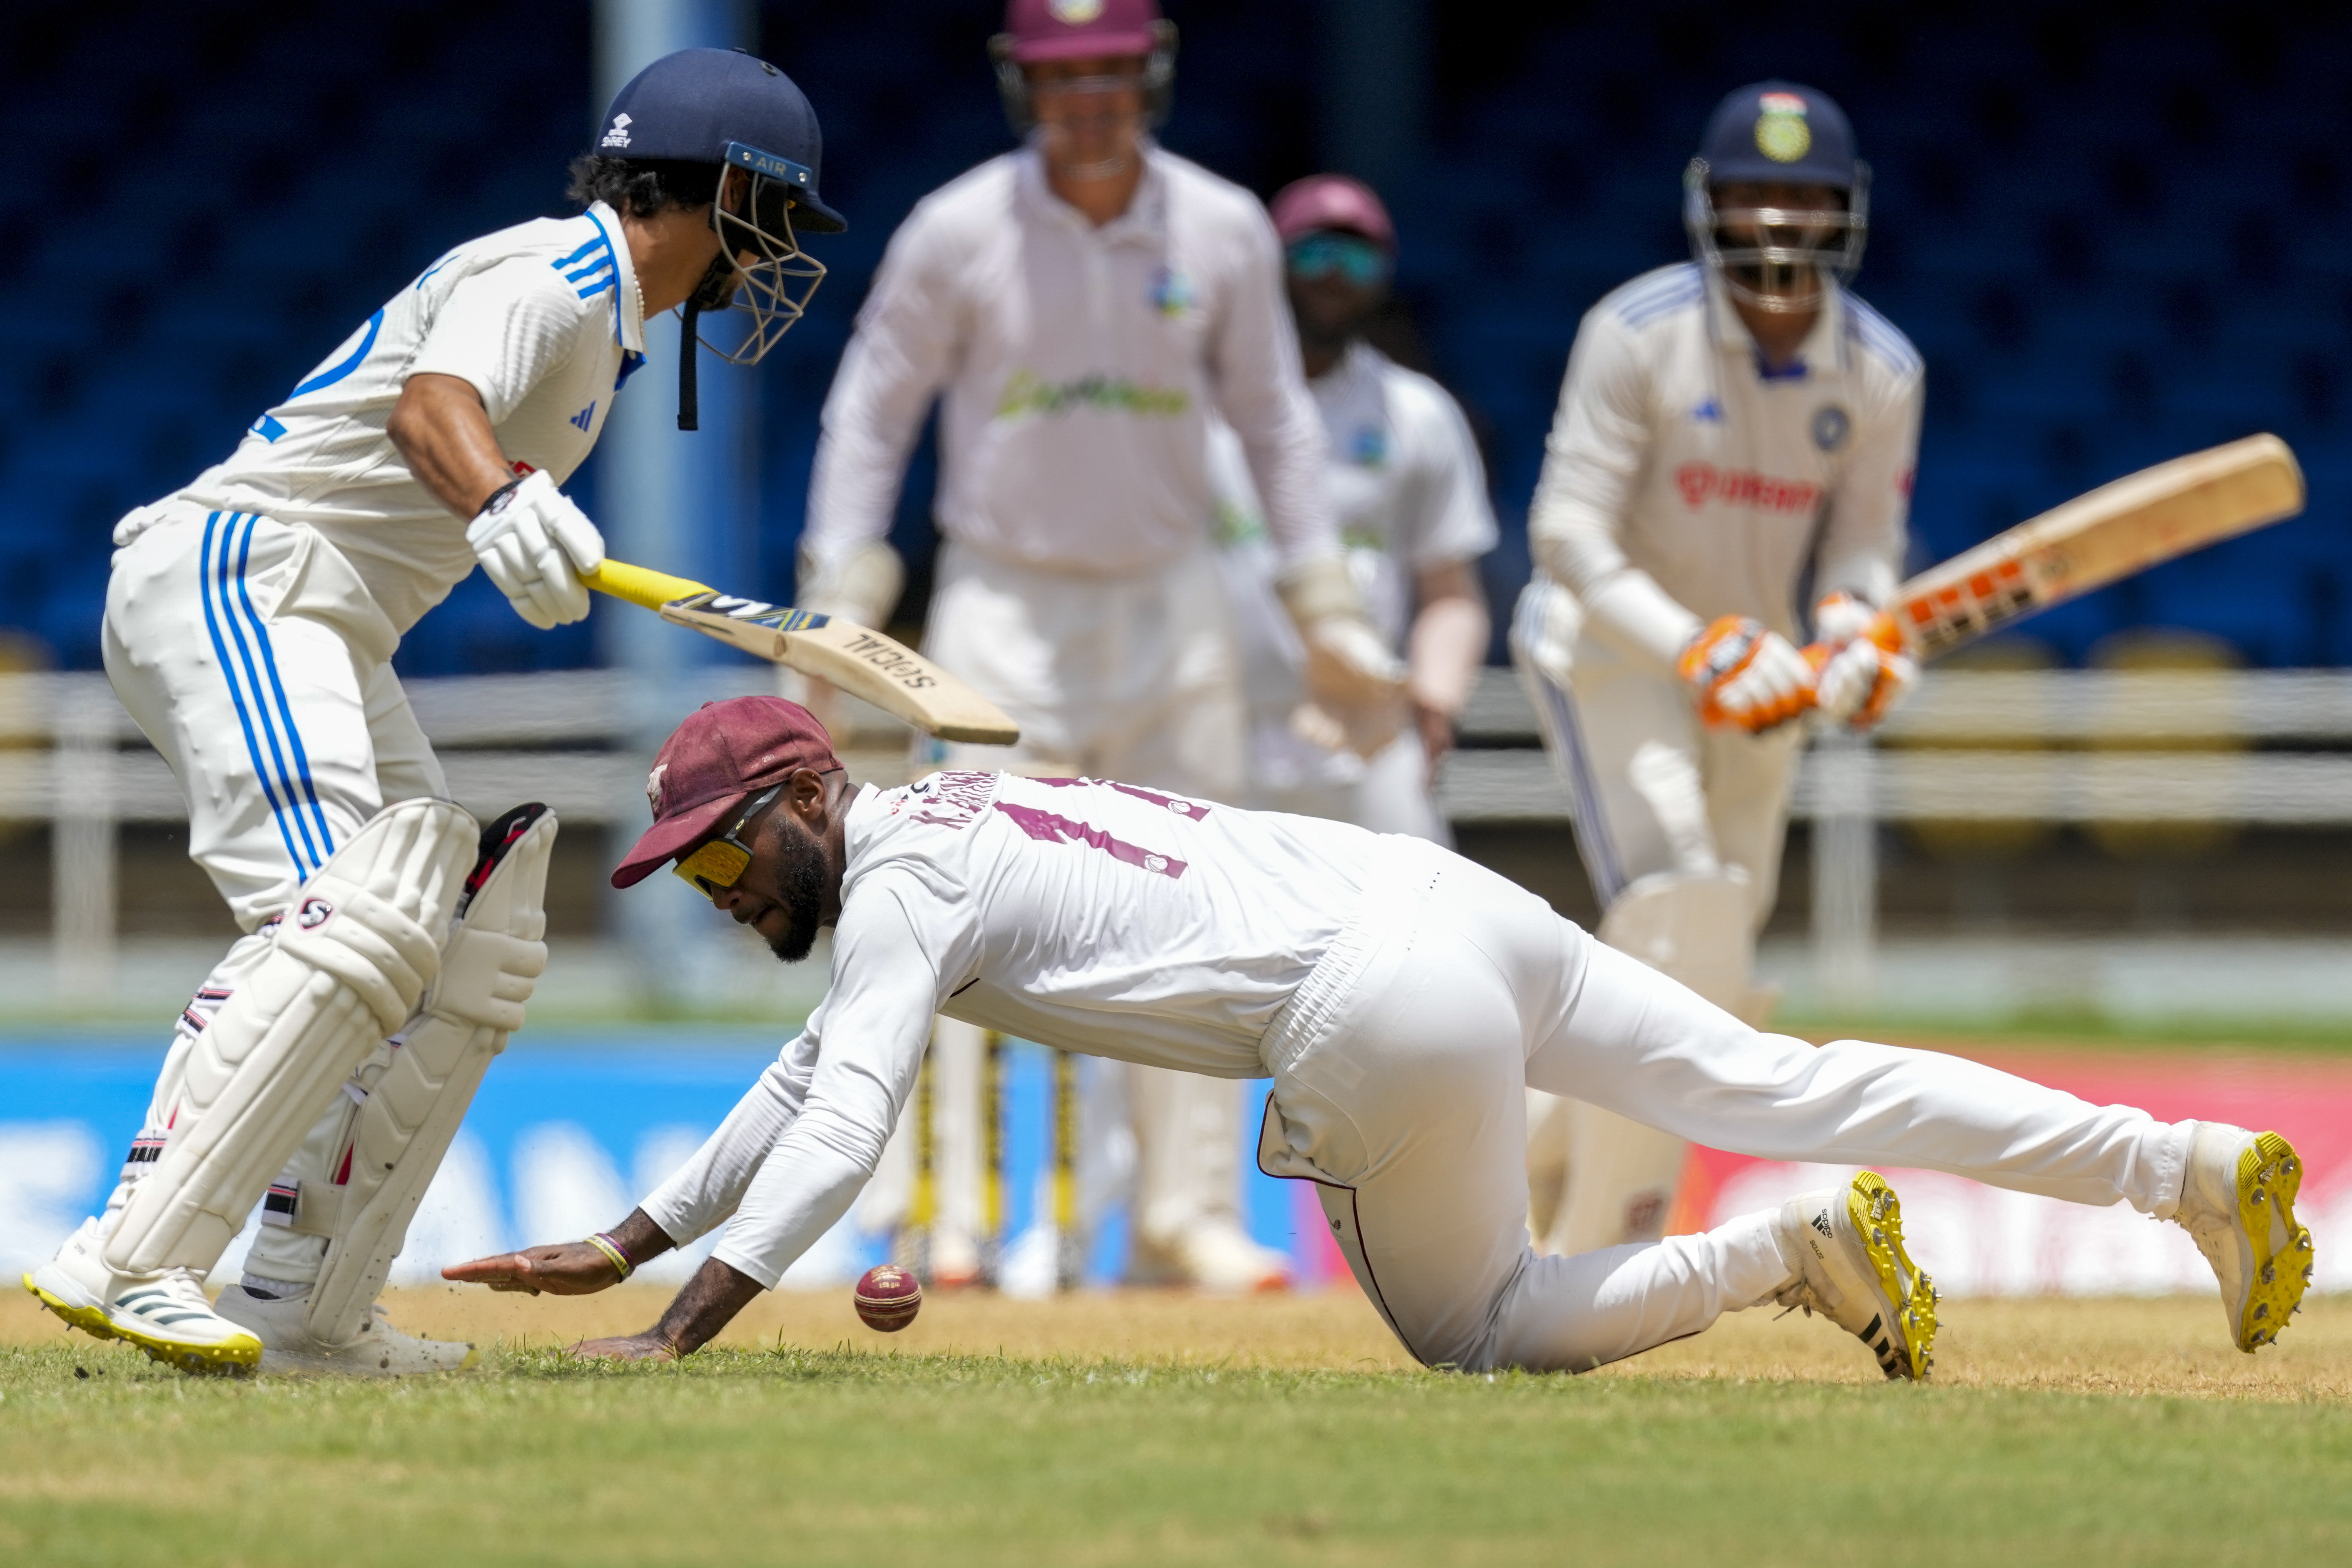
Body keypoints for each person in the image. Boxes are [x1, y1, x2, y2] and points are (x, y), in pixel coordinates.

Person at [445, 695, 2313, 1379]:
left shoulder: (901, 884)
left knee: (1477, 1328)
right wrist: (629, 1229)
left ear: (799, 796)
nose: (708, 886)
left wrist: (670, 1326)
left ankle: (1788, 1246)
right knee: (1786, 1073)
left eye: (717, 849)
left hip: (1371, 998)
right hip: (1446, 903)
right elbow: (803, 1080)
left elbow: (846, 1118)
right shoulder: (935, 838)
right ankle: (2176, 1169)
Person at [22, 49, 846, 1376]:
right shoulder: (561, 275)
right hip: (246, 571)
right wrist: (503, 499)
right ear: (728, 189)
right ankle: (129, 1253)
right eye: (780, 214)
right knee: (353, 912)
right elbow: (433, 407)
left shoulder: (608, 321)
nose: (783, 249)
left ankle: (308, 1306)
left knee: (464, 937)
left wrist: (504, 497)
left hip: (324, 619)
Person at [793, 0, 1397, 1291]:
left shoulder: (1222, 226)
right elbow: (872, 410)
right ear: (1025, 86)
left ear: (1152, 77)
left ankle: (1185, 1212)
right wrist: (838, 594)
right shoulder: (961, 228)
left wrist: (1326, 607)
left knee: (1203, 910)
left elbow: (1278, 424)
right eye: (1067, 81)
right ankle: (954, 1213)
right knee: (950, 906)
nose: (1092, 106)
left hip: (1174, 600)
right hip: (999, 608)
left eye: (1114, 77)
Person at [1512, 82, 1923, 1258]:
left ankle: (1526, 1139)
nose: (1780, 224)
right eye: (1757, 195)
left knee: (1719, 947)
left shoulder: (1882, 368)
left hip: (1764, 667)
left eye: (1804, 198)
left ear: (1845, 211)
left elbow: (1859, 546)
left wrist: (1855, 630)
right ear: (1710, 205)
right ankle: (1608, 1236)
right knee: (1681, 895)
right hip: (1612, 650)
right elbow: (1567, 536)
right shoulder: (1636, 332)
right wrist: (1695, 646)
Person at [1209, 174, 1495, 840]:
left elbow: (1449, 589)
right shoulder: (1198, 405)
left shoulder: (1417, 413)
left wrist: (1433, 694)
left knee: (1419, 926)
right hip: (1217, 732)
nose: (1335, 276)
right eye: (1313, 254)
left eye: (1360, 259)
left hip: (1366, 731)